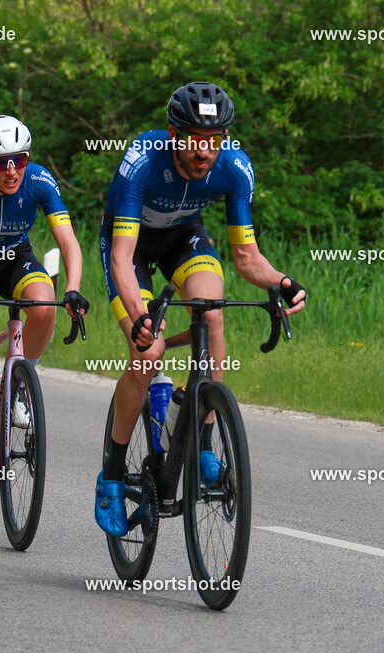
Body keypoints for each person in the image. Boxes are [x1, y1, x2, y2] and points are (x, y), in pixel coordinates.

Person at [95, 82, 307, 536]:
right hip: (130, 246)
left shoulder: (235, 167)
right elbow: (121, 258)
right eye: (195, 139)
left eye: (214, 140)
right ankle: (111, 473)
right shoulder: (142, 159)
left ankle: (204, 442)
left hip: (183, 238)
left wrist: (282, 283)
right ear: (174, 134)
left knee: (211, 315)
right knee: (148, 354)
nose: (204, 151)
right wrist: (140, 319)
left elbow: (247, 257)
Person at [0, 115, 89, 509]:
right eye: (0, 163)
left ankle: (19, 383)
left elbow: (68, 242)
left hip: (13, 259)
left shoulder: (40, 179)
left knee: (44, 305)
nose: (11, 171)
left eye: (19, 160)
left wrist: (73, 288)